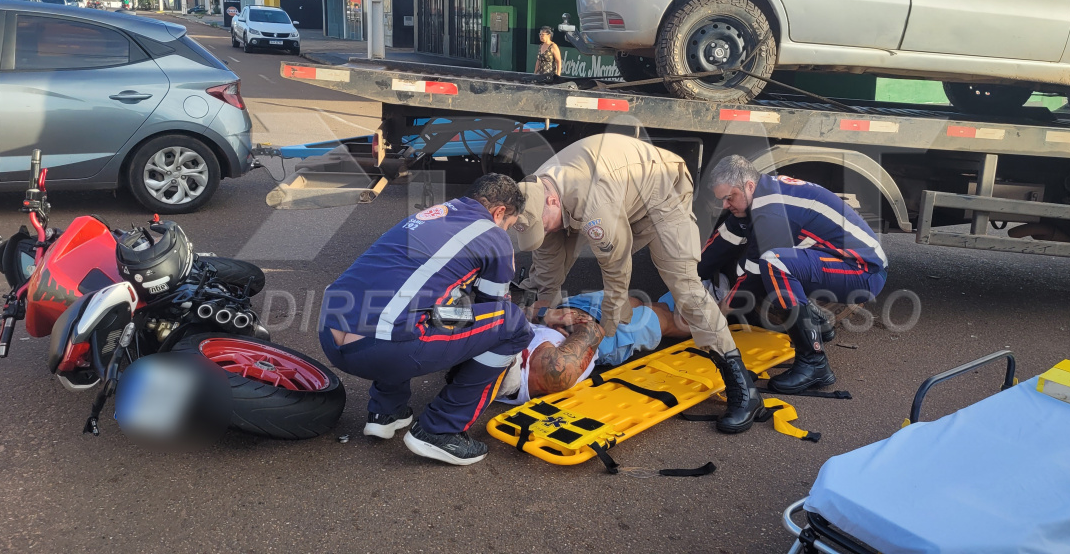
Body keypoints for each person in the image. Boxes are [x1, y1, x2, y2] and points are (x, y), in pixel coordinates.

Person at [511, 133, 764, 434]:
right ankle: (689, 312)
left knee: (684, 286)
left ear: (552, 201)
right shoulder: (537, 194)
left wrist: (607, 321)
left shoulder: (594, 206)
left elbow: (616, 266)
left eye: (544, 224)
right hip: (620, 184)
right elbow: (548, 271)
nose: (544, 230)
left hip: (660, 186)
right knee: (553, 268)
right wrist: (545, 315)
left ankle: (742, 387)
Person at [318, 173, 532, 466]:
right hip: (383, 347)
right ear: (499, 213)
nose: (505, 230)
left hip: (331, 335)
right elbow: (491, 308)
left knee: (415, 306)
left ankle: (386, 411)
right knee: (512, 324)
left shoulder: (432, 215)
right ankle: (441, 430)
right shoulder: (491, 233)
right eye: (508, 224)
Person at [700, 155, 888, 394]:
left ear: (748, 186)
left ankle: (814, 362)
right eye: (723, 199)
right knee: (777, 266)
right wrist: (693, 275)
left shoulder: (771, 212)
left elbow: (753, 276)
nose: (726, 205)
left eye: (729, 197)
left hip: (864, 270)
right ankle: (819, 323)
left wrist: (722, 311)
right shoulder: (760, 191)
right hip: (847, 259)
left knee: (775, 265)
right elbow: (726, 237)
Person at [497, 292, 689, 405]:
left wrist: (545, 314)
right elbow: (593, 331)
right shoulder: (549, 369)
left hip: (567, 311)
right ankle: (714, 320)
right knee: (666, 320)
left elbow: (508, 312)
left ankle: (698, 296)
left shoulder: (484, 346)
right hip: (607, 334)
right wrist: (554, 317)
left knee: (639, 302)